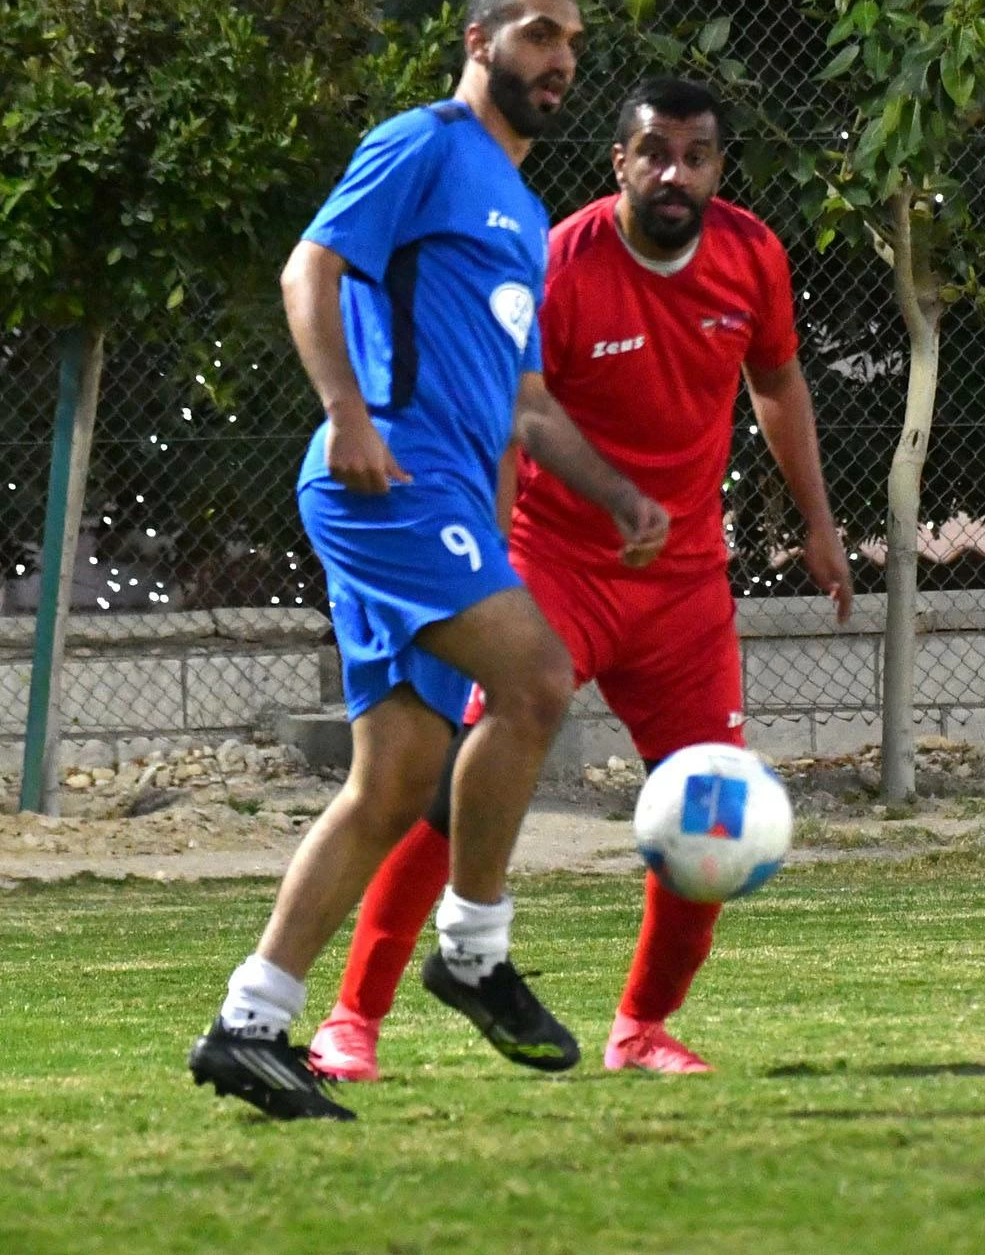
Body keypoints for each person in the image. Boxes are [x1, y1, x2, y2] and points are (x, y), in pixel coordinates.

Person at [186, 0, 670, 1122]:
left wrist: (617, 498)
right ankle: (472, 949)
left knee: (394, 781)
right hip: (385, 474)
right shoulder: (425, 142)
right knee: (539, 678)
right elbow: (311, 266)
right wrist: (347, 412)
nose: (558, 57)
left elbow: (526, 404)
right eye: (538, 32)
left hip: (439, 495)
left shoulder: (519, 215)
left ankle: (248, 1025)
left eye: (572, 42)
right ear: (479, 39)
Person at [306, 78, 851, 1083]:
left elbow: (776, 384)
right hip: (557, 566)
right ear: (619, 161)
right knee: (455, 785)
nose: (673, 173)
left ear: (719, 170)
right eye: (653, 152)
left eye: (695, 155)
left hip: (687, 586)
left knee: (710, 814)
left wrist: (818, 523)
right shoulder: (557, 260)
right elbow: (518, 411)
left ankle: (641, 1026)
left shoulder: (752, 256)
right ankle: (352, 1020)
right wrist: (495, 554)